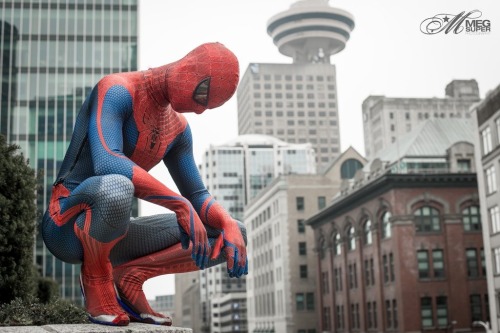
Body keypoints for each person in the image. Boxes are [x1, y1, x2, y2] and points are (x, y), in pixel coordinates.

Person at [41, 42, 247, 326]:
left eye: (207, 107)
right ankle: (95, 275)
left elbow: (197, 194)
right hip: (65, 224)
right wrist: (178, 204)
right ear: (189, 69)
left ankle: (131, 276)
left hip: (115, 230)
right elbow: (107, 161)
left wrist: (226, 222)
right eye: (202, 96)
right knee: (117, 186)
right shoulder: (116, 90)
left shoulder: (178, 130)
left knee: (232, 234)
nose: (199, 110)